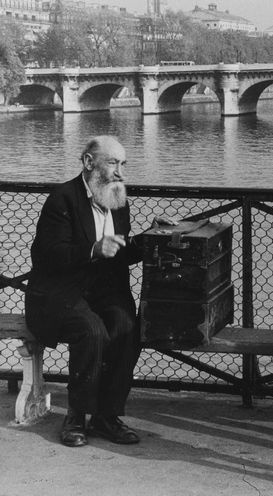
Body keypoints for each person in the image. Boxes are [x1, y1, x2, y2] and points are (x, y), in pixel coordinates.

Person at [25, 135, 175, 448]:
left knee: (126, 326)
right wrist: (93, 249)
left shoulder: (117, 199)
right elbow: (47, 255)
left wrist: (148, 238)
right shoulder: (62, 199)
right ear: (89, 162)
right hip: (59, 294)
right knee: (91, 331)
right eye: (113, 163)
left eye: (123, 164)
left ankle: (107, 416)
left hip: (101, 292)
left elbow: (117, 253)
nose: (120, 172)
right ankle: (77, 415)